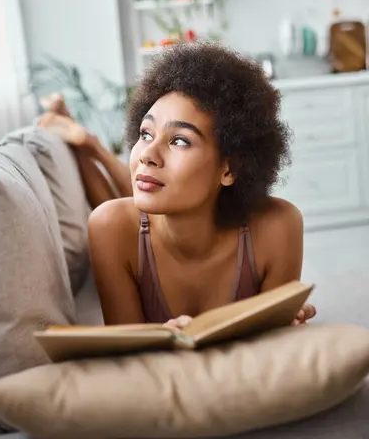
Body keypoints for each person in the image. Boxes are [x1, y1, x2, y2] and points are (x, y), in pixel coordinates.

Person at [38, 44, 316, 330]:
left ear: (230, 168)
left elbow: (274, 357)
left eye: (179, 140)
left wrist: (284, 327)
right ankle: (89, 145)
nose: (146, 153)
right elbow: (126, 363)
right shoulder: (108, 226)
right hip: (135, 226)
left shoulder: (279, 226)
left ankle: (90, 144)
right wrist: (161, 342)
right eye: (145, 134)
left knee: (132, 194)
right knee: (122, 204)